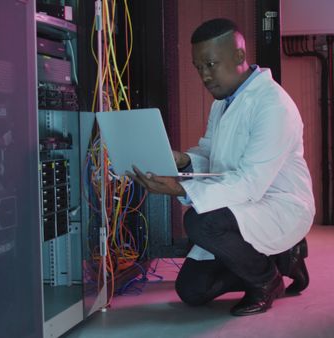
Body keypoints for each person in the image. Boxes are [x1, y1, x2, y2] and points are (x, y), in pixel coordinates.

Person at [126, 18, 315, 316]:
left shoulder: (272, 105)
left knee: (201, 222)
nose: (204, 75)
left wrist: (181, 188)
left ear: (239, 57)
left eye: (211, 64)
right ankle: (281, 259)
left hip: (279, 205)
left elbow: (250, 183)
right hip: (243, 205)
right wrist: (183, 161)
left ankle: (266, 281)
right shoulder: (224, 102)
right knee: (191, 290)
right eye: (198, 67)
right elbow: (212, 154)